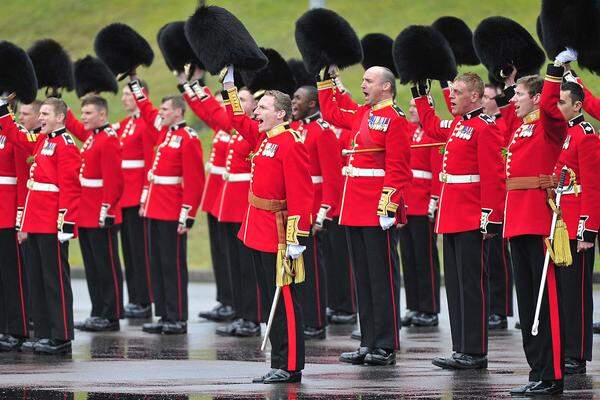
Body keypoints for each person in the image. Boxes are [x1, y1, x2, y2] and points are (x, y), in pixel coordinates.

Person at [223, 65, 313, 384]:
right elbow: (236, 120)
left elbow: (302, 194)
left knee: (285, 301)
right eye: (257, 106)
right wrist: (229, 88)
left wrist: (295, 237)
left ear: (280, 114)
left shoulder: (290, 142)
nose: (256, 112)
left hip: (278, 232)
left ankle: (289, 364)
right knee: (270, 300)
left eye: (262, 107)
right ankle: (278, 360)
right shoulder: (264, 139)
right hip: (258, 227)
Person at [319, 65, 411, 366]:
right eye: (363, 80)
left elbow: (398, 168)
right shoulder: (363, 113)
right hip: (354, 206)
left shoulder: (395, 118)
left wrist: (389, 206)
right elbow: (332, 113)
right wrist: (324, 82)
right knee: (363, 278)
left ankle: (385, 344)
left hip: (376, 208)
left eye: (369, 81)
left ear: (386, 87)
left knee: (381, 278)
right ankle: (368, 340)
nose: (363, 85)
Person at [412, 72, 505, 370]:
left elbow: (493, 175)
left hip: (471, 216)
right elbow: (428, 125)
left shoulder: (484, 127)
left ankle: (475, 350)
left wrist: (490, 216)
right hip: (452, 214)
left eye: (458, 92)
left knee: (471, 284)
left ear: (475, 96)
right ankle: (461, 348)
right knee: (453, 285)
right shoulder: (457, 124)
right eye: (451, 91)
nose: (451, 96)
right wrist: (419, 92)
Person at [500, 51, 573, 395]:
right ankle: (537, 370)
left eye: (518, 94)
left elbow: (549, 107)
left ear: (536, 98)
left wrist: (554, 71)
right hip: (518, 221)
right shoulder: (521, 128)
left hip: (539, 220)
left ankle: (553, 374)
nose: (512, 98)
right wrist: (512, 80)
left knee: (547, 304)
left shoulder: (547, 124)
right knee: (528, 302)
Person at [180, 73, 262, 337]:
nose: (239, 102)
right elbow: (212, 113)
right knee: (234, 264)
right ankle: (240, 312)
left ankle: (250, 317)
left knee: (246, 265)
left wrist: (224, 90)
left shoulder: (253, 130)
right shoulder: (235, 128)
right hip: (229, 202)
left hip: (244, 204)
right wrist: (192, 86)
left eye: (244, 98)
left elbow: (220, 113)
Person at [0, 97, 81, 354]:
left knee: (54, 280)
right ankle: (45, 333)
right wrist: (2, 109)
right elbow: (16, 135)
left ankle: (62, 336)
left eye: (46, 114)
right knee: (36, 280)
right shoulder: (43, 140)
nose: (41, 118)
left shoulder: (66, 145)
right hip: (35, 219)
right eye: (41, 113)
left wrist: (65, 223)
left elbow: (70, 188)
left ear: (60, 117)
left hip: (51, 223)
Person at [128, 77, 205, 335]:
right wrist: (135, 84)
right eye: (161, 110)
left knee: (172, 266)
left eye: (165, 110)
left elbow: (195, 181)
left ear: (178, 112)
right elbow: (147, 109)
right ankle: (163, 314)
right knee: (157, 264)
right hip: (154, 207)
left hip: (172, 210)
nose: (160, 113)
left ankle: (177, 317)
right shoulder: (165, 132)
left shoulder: (188, 138)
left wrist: (188, 214)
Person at [66, 96, 124, 332]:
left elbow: (114, 179)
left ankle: (111, 315)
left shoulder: (107, 139)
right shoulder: (94, 137)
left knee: (106, 265)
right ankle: (97, 310)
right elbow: (78, 128)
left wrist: (107, 208)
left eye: (88, 113)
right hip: (87, 211)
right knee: (92, 265)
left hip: (101, 211)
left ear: (102, 115)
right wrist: (65, 112)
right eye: (83, 113)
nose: (84, 117)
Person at [290, 85, 343, 339]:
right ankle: (305, 317)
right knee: (299, 266)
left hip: (315, 209)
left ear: (312, 104)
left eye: (298, 98)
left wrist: (323, 212)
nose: (293, 102)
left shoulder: (322, 132)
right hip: (298, 208)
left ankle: (316, 321)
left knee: (313, 268)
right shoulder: (298, 129)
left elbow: (332, 178)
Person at [554, 80, 598, 375]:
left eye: (562, 102)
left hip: (578, 225)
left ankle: (577, 353)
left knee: (577, 292)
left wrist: (588, 230)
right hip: (563, 221)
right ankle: (567, 348)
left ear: (577, 105)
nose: (557, 107)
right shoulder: (569, 134)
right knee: (565, 290)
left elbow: (593, 187)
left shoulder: (586, 135)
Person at [398, 99, 442, 328]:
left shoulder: (432, 137)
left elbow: (437, 172)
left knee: (425, 259)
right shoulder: (409, 131)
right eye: (411, 107)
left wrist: (433, 202)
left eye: (416, 107)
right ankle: (414, 306)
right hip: (406, 204)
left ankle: (430, 308)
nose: (412, 110)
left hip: (423, 205)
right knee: (409, 257)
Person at [0, 101, 40, 351]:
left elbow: (20, 177)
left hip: (8, 211)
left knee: (13, 275)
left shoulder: (16, 134)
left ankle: (18, 328)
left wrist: (19, 215)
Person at [117, 83, 154, 319]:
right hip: (124, 196)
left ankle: (144, 299)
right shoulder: (125, 124)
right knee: (129, 251)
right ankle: (134, 298)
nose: (123, 99)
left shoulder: (144, 125)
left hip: (137, 195)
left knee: (140, 251)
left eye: (127, 94)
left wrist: (145, 195)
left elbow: (150, 162)